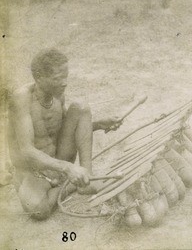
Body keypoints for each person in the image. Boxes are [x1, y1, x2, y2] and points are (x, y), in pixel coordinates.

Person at [8, 49, 122, 220]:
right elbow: (26, 151)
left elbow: (62, 131)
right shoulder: (21, 99)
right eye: (57, 79)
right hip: (33, 171)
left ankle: (85, 178)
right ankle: (70, 185)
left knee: (81, 108)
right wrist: (68, 168)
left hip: (57, 161)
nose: (64, 83)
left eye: (65, 76)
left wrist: (98, 125)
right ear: (39, 78)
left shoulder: (57, 95)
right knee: (38, 210)